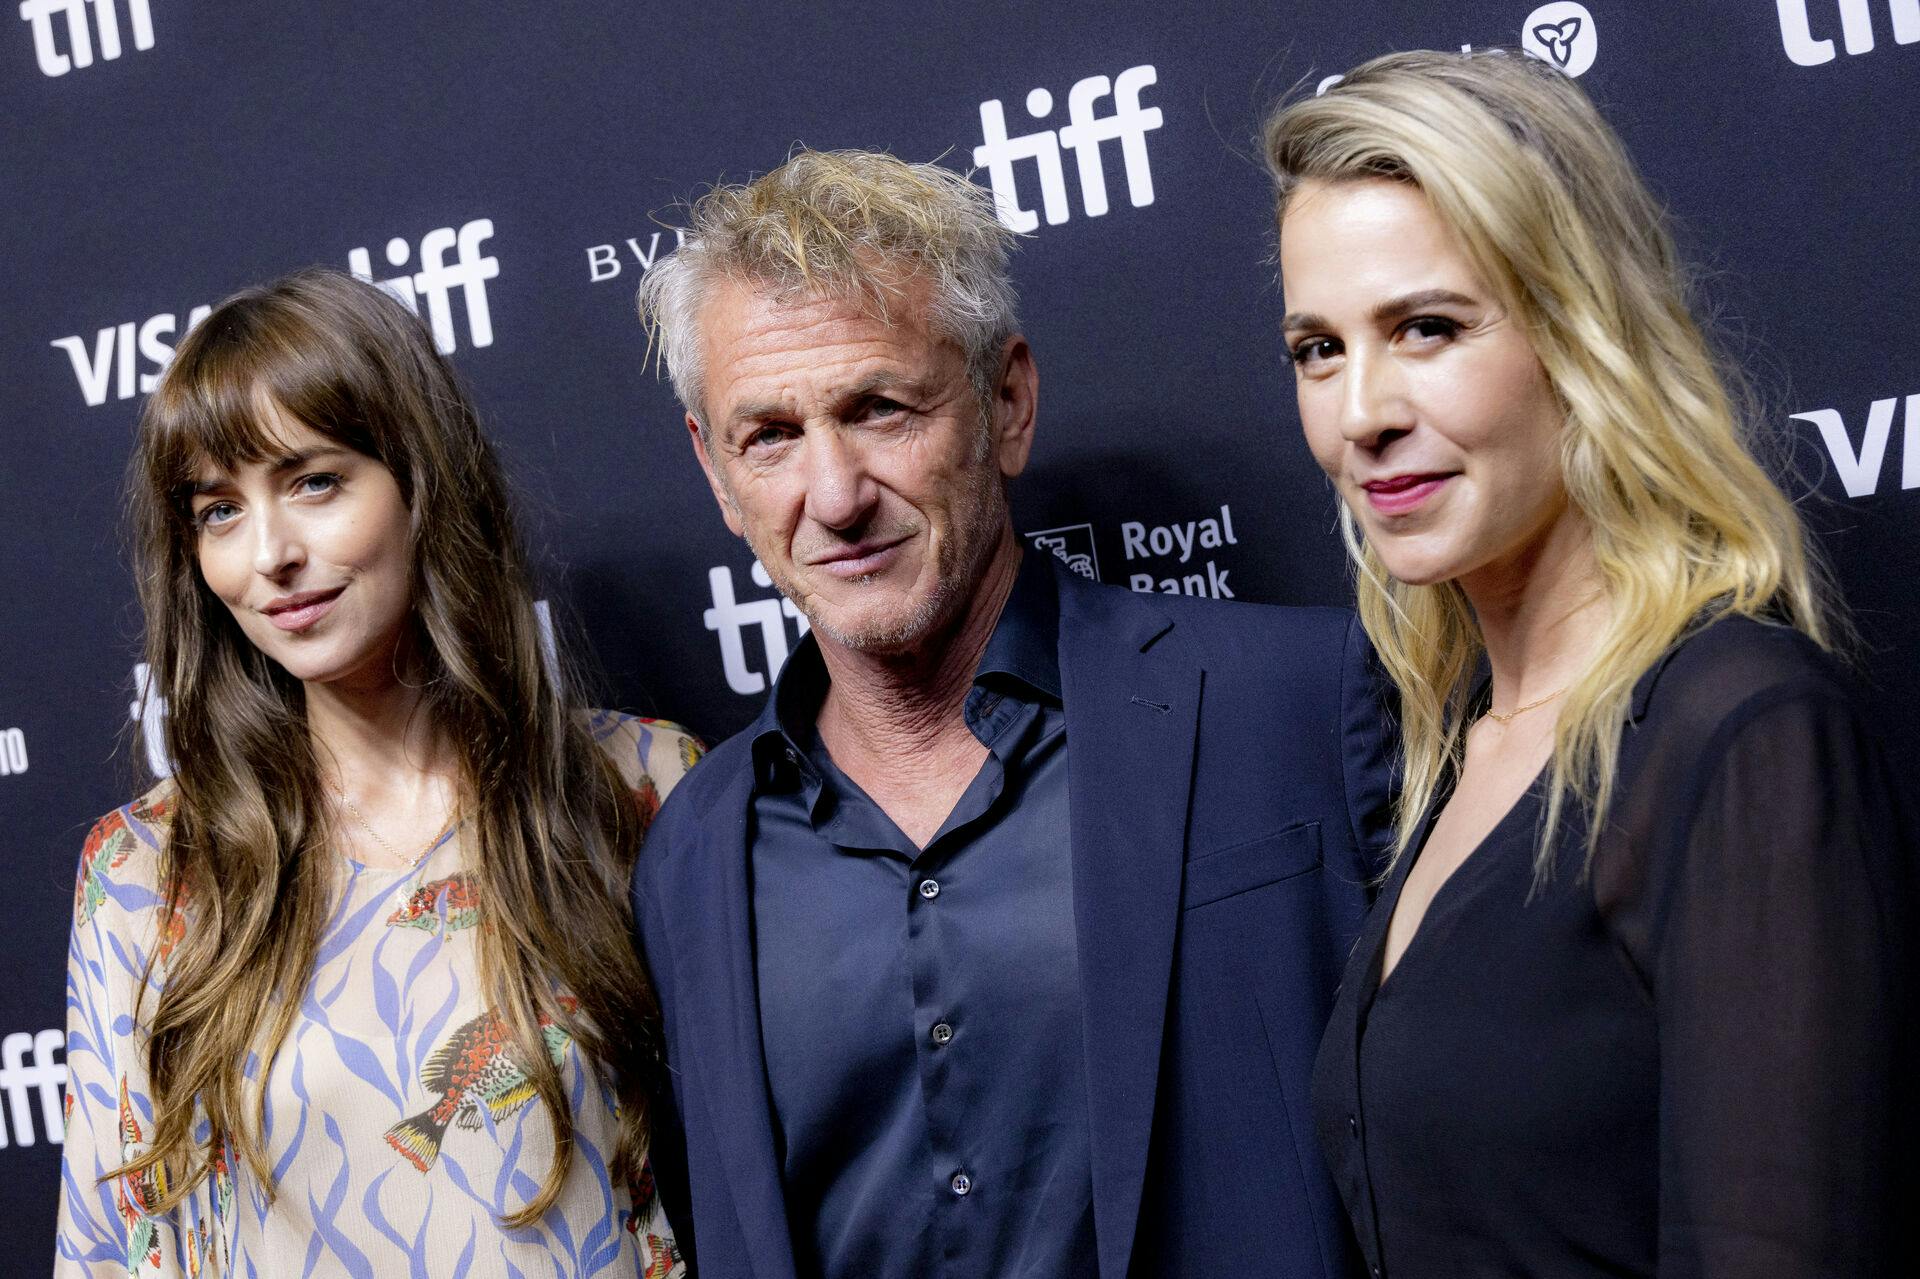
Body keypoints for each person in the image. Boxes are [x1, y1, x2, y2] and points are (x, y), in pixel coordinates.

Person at [627, 148, 1395, 1279]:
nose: (834, 497)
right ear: (716, 471)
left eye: (881, 409)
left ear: (1009, 401)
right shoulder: (689, 850)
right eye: (772, 435)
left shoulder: (1295, 704)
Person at [1266, 50, 1916, 1277]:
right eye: (1317, 348)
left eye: (1428, 328)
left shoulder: (1741, 730)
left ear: (1581, 330)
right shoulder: (1453, 741)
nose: (1362, 411)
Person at [55, 269, 698, 1277]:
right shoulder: (146, 870)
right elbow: (108, 1251)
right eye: (220, 509)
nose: (269, 554)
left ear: (421, 480)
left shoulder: (639, 785)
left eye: (315, 481)